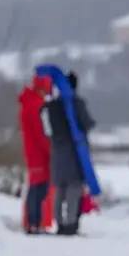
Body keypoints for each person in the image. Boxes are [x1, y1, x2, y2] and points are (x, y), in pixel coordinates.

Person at [41, 70, 96, 236]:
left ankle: (59, 223)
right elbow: (87, 123)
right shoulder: (76, 103)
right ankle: (71, 224)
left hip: (57, 152)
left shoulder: (51, 106)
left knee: (60, 189)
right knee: (74, 188)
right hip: (75, 152)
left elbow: (47, 129)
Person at [18, 73, 52, 234]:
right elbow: (41, 133)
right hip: (39, 154)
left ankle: (32, 222)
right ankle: (34, 223)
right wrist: (51, 150)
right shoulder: (36, 106)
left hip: (32, 152)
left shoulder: (28, 104)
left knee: (36, 187)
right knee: (39, 189)